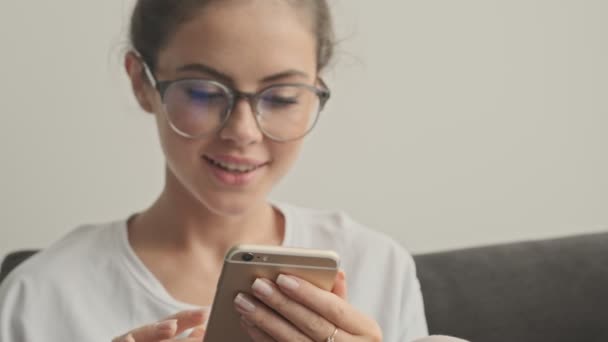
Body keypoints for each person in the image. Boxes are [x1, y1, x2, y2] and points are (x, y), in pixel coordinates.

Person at [0, 1, 466, 341]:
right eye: (204, 92)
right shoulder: (40, 296)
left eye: (282, 97)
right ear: (143, 82)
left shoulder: (378, 268)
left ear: (315, 91)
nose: (243, 132)